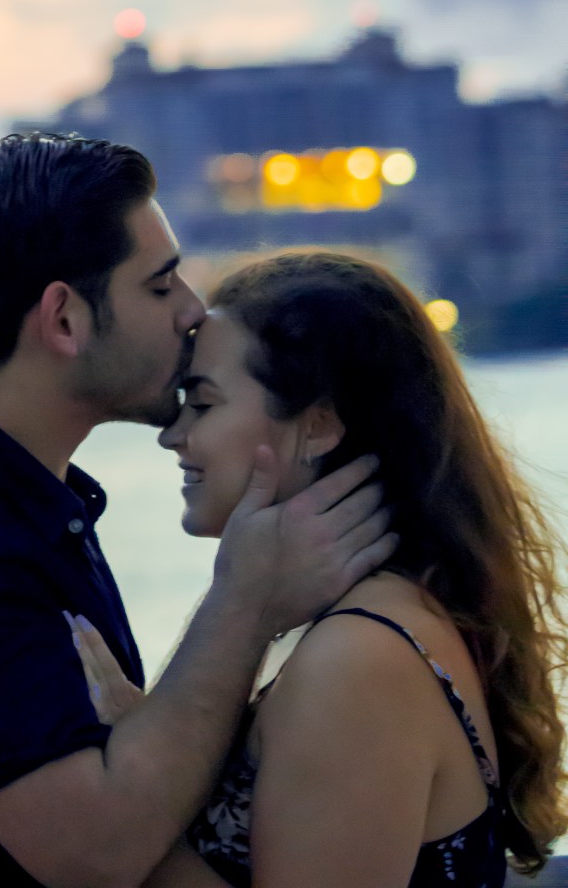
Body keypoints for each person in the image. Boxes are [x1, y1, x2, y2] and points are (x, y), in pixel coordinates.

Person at [0, 134, 395, 888]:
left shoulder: (14, 510)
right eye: (160, 285)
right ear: (64, 318)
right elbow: (94, 857)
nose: (192, 310)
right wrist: (245, 600)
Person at [74, 250, 568, 888]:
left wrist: (129, 818)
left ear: (317, 426)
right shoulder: (374, 619)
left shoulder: (358, 658)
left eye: (202, 403)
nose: (172, 436)